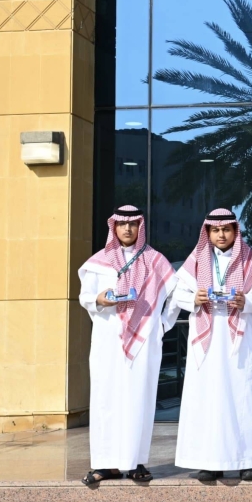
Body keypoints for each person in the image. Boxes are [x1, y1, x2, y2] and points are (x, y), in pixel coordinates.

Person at [78, 206, 180, 485]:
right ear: (114, 227)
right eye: (122, 224)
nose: (127, 229)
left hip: (143, 340)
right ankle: (105, 465)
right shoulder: (98, 262)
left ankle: (136, 462)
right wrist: (99, 299)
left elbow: (177, 294)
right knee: (105, 399)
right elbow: (85, 297)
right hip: (108, 338)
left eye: (133, 224)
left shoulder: (155, 261)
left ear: (140, 227)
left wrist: (162, 325)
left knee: (139, 398)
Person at [174, 209, 252, 482]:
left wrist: (246, 301)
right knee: (207, 397)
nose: (221, 234)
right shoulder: (197, 259)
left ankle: (247, 461)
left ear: (235, 231)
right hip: (207, 333)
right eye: (215, 230)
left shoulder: (250, 259)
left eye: (226, 229)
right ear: (208, 232)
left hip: (239, 334)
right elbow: (178, 293)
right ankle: (209, 462)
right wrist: (195, 298)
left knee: (242, 396)